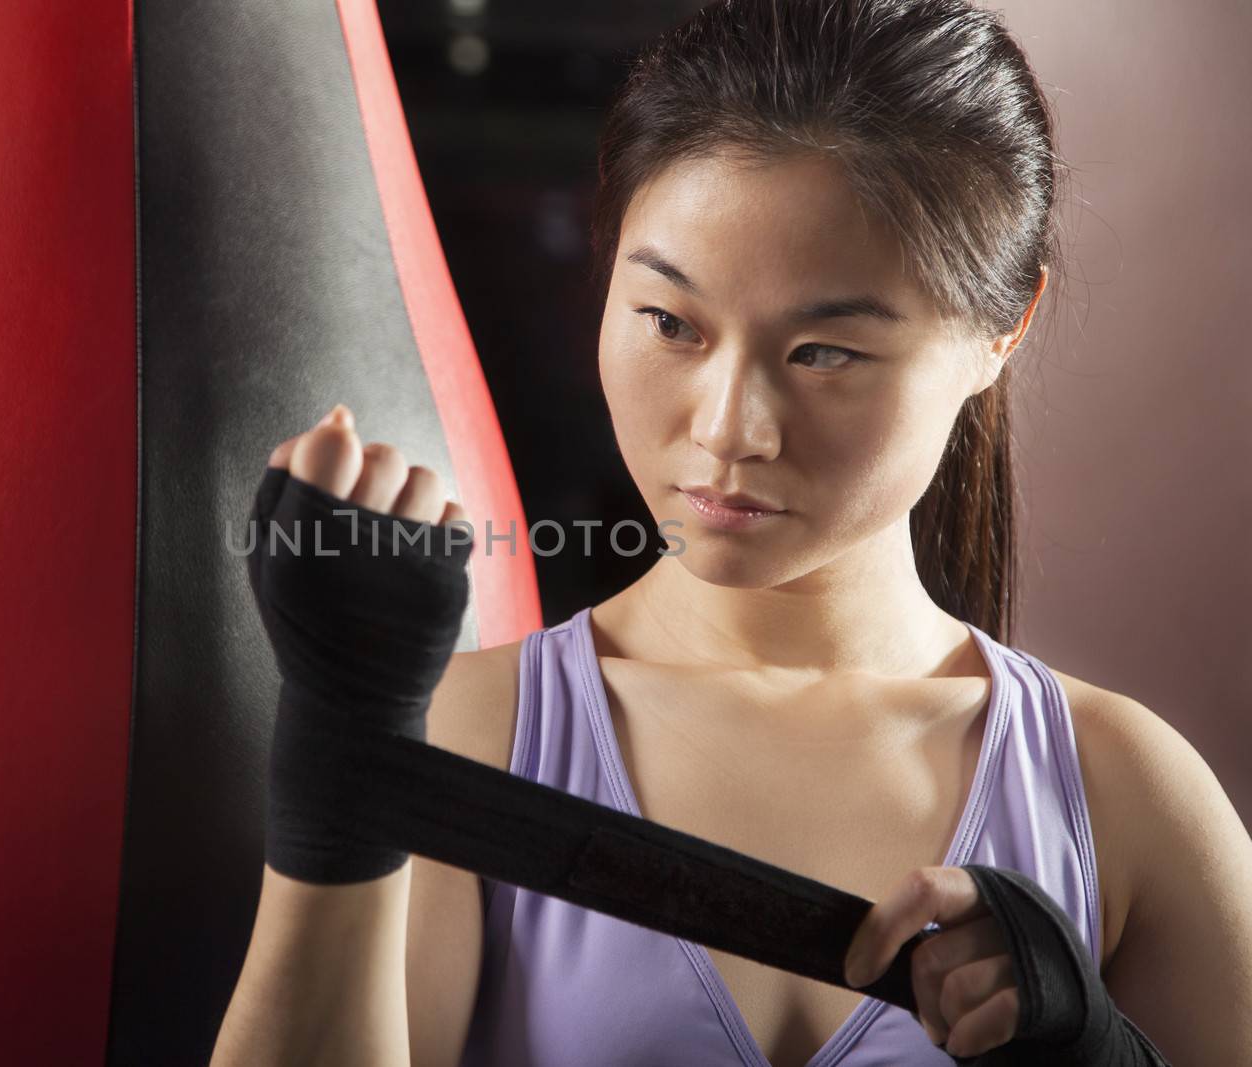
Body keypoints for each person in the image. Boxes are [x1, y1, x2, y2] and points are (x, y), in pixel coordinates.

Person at [210, 1, 1252, 1064]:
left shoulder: (1123, 795)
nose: (726, 429)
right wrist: (340, 759)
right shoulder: (472, 738)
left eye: (824, 352)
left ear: (1002, 331)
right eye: (669, 322)